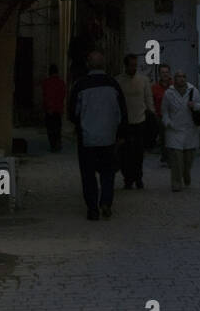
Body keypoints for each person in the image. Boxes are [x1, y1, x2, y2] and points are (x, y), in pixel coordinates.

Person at [68, 50, 127, 221]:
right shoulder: (113, 84)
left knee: (88, 175)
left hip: (87, 139)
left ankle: (92, 208)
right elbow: (122, 112)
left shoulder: (80, 85)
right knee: (108, 173)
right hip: (108, 138)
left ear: (88, 64)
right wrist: (120, 133)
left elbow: (72, 113)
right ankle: (106, 202)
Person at [115, 52, 154, 189]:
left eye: (135, 65)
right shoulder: (118, 81)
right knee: (125, 153)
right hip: (124, 123)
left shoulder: (143, 80)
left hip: (140, 121)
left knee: (138, 153)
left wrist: (152, 118)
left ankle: (138, 177)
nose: (134, 68)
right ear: (126, 65)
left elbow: (148, 100)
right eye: (131, 65)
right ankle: (128, 178)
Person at [161, 70, 200, 191]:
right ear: (174, 79)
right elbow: (164, 111)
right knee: (176, 160)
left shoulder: (193, 90)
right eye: (179, 76)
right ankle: (176, 183)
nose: (181, 79)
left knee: (188, 160)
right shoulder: (169, 93)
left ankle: (186, 174)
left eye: (183, 76)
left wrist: (194, 105)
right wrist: (168, 122)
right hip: (174, 130)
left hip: (190, 130)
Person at [42, 63, 66, 152]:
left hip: (50, 109)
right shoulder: (61, 82)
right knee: (57, 127)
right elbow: (63, 95)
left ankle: (53, 145)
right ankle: (57, 143)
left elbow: (46, 95)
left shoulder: (47, 82)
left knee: (50, 128)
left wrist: (48, 107)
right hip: (58, 109)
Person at [151, 64, 172, 165]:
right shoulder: (155, 88)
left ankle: (169, 157)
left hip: (174, 115)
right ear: (159, 74)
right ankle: (166, 157)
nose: (165, 74)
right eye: (163, 72)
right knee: (164, 137)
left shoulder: (174, 86)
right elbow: (151, 102)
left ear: (169, 73)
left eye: (166, 72)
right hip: (160, 116)